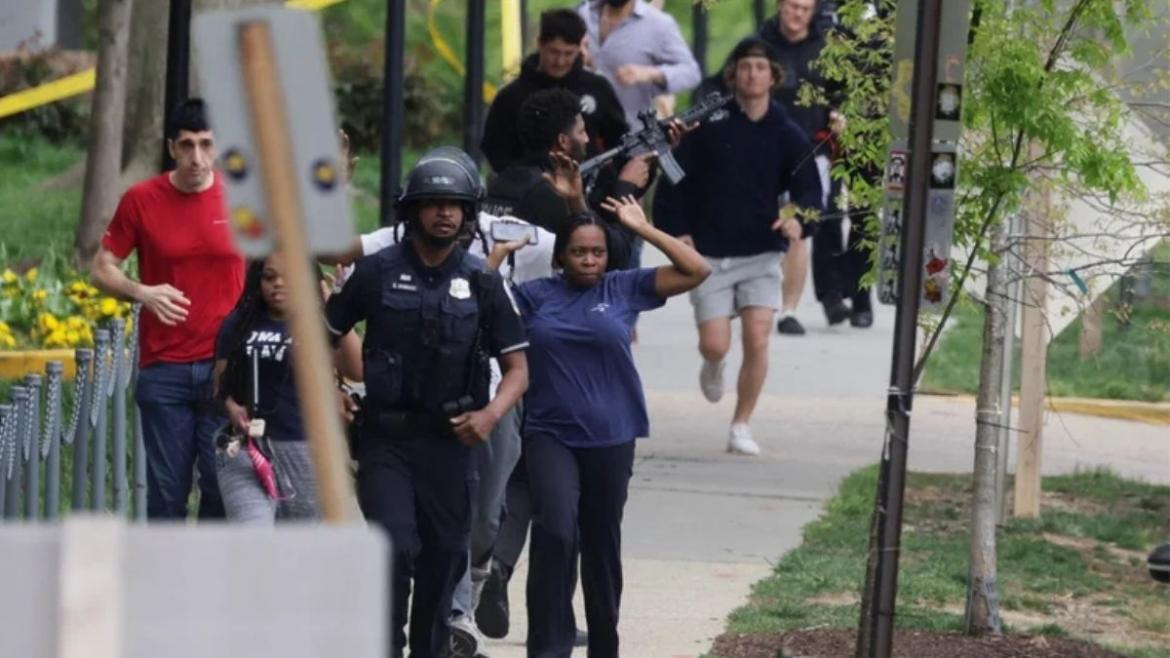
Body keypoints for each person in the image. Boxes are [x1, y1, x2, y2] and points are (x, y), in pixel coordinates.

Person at [326, 146, 553, 658]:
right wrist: (335, 393)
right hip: (386, 437)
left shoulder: (483, 281)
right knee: (393, 547)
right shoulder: (376, 271)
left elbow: (518, 370)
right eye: (432, 203)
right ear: (412, 211)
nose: (444, 213)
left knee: (445, 554)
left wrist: (491, 415)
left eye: (454, 205)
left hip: (453, 442)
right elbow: (324, 336)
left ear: (468, 213)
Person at [500, 185, 709, 658]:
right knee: (555, 530)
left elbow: (697, 270)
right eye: (578, 252)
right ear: (560, 258)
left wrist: (641, 227)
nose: (589, 260)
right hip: (550, 433)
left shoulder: (624, 287)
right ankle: (549, 647)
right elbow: (484, 303)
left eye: (597, 252)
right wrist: (496, 256)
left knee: (600, 542)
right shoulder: (534, 297)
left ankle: (604, 646)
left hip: (613, 435)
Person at [653, 36, 824, 456]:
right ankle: (713, 364)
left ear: (773, 77)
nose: (752, 74)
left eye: (760, 67)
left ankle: (741, 424)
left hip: (762, 252)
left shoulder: (786, 132)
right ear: (733, 75)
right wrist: (678, 231)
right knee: (715, 343)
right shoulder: (709, 126)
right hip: (709, 253)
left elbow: (809, 189)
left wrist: (796, 221)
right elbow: (674, 176)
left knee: (759, 336)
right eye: (745, 66)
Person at [91, 98, 243, 519]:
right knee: (166, 495)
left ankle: (209, 583)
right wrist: (142, 291)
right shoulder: (141, 200)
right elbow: (101, 269)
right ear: (172, 147)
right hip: (165, 368)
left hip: (224, 367)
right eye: (188, 145)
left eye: (207, 145)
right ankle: (165, 583)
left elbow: (271, 270)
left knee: (220, 487)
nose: (198, 157)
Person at [211, 256, 362, 522]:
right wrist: (233, 409)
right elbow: (220, 386)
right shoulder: (239, 322)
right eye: (269, 277)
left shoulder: (320, 323)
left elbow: (357, 369)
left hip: (306, 448)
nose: (278, 284)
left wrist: (335, 309)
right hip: (247, 450)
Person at [759, 0, 872, 331]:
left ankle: (790, 309)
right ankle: (757, 297)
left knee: (803, 224)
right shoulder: (760, 47)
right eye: (792, 6)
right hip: (765, 147)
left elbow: (843, 91)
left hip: (812, 147)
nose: (797, 14)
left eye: (804, 8)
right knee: (762, 226)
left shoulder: (827, 50)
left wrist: (839, 115)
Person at [483, 88, 649, 270]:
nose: (587, 139)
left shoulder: (502, 182)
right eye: (582, 131)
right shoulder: (551, 193)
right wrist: (625, 188)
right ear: (563, 141)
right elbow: (609, 257)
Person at [481, 8, 628, 173]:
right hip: (529, 190)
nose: (560, 61)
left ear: (580, 48)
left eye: (568, 53)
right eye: (554, 52)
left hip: (588, 188)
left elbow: (619, 140)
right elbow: (494, 147)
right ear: (540, 44)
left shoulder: (597, 88)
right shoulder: (511, 96)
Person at [577, 0, 702, 130]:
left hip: (632, 135)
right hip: (585, 132)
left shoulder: (658, 24)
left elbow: (691, 72)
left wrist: (650, 73)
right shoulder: (583, 15)